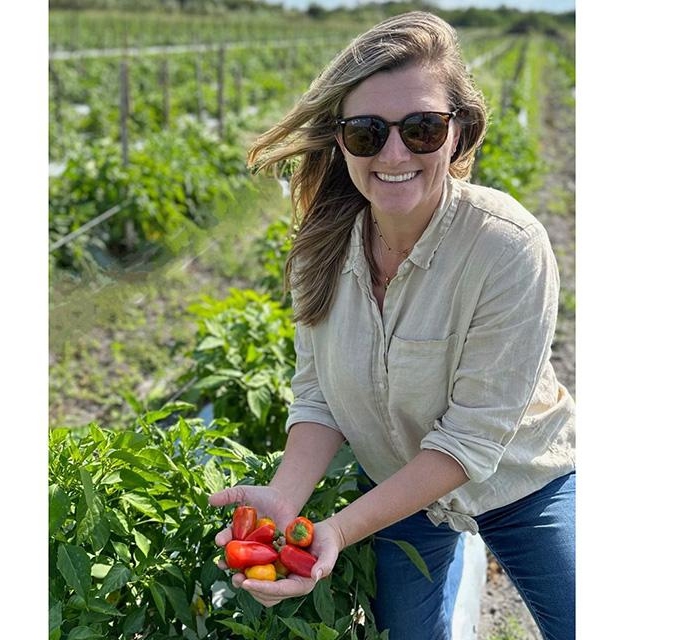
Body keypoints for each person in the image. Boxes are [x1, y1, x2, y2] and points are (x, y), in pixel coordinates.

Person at [208, 11, 576, 640]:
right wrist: (285, 497)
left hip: (521, 479)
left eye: (423, 128)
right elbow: (318, 394)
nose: (395, 153)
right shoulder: (320, 250)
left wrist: (339, 530)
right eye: (367, 132)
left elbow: (471, 441)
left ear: (458, 135)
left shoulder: (508, 247)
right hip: (395, 485)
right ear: (341, 141)